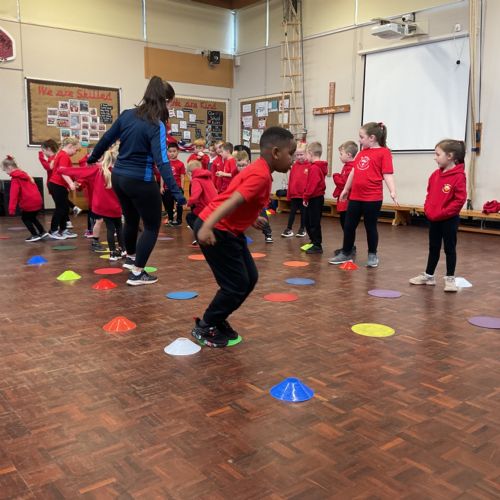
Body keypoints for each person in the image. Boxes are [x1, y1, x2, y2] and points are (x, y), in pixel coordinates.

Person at [191, 126, 296, 348]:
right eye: (291, 153)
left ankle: (217, 318)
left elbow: (236, 195)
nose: (293, 159)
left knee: (250, 278)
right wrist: (207, 227)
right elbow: (233, 200)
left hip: (228, 229)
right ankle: (206, 325)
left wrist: (251, 219)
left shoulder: (260, 170)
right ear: (276, 152)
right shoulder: (260, 174)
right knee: (235, 284)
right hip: (217, 229)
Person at [87, 76, 186, 286]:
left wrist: (93, 157)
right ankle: (138, 273)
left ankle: (131, 259)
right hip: (140, 179)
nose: (170, 107)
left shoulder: (127, 115)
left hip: (119, 177)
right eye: (171, 103)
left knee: (131, 219)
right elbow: (163, 161)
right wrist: (177, 193)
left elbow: (107, 138)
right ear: (165, 101)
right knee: (151, 226)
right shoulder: (157, 125)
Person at [329, 122, 397, 267]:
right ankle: (346, 253)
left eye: (361, 137)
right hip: (355, 197)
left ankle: (372, 254)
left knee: (370, 227)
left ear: (372, 138)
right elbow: (353, 172)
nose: (359, 140)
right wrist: (346, 189)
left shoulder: (384, 152)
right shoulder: (361, 153)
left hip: (372, 198)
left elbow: (387, 174)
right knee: (349, 226)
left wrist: (392, 190)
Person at [409, 139, 467, 292]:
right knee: (433, 247)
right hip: (434, 219)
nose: (435, 157)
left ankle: (450, 279)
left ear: (450, 156)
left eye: (437, 154)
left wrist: (443, 213)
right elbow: (429, 194)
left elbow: (459, 200)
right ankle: (429, 276)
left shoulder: (459, 176)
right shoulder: (435, 175)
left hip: (449, 219)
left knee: (449, 248)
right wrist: (428, 209)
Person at [61, 144, 125, 261]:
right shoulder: (118, 172)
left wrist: (62, 170)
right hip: (114, 206)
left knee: (110, 228)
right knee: (117, 227)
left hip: (102, 205)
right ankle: (121, 249)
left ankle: (112, 252)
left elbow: (80, 172)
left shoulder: (98, 169)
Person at [2, 155, 47, 242]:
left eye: (5, 170)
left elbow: (13, 195)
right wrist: (13, 160)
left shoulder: (15, 179)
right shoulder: (25, 174)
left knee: (25, 218)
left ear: (9, 167)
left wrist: (11, 209)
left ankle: (34, 235)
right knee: (32, 217)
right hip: (38, 200)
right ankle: (42, 232)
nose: (6, 172)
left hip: (29, 202)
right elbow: (18, 168)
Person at [235, 150, 273, 243]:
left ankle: (268, 233)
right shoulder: (236, 174)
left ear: (248, 162)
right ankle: (238, 234)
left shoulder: (253, 172)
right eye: (239, 166)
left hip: (256, 199)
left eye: (243, 165)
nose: (241, 168)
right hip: (244, 198)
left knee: (262, 214)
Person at [47, 137, 80, 240]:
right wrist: (70, 183)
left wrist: (72, 182)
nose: (76, 153)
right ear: (70, 146)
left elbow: (66, 172)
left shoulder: (62, 154)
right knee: (61, 209)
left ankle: (63, 230)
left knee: (64, 208)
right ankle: (53, 231)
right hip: (56, 185)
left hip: (58, 185)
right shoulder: (64, 155)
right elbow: (62, 171)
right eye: (76, 150)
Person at [332, 140, 358, 254]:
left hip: (347, 202)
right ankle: (349, 246)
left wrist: (335, 176)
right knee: (346, 226)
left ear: (348, 155)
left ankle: (349, 248)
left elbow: (343, 183)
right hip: (345, 201)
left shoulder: (350, 168)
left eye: (341, 154)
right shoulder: (347, 166)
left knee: (347, 226)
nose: (340, 156)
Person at [302, 142, 328, 254]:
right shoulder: (316, 167)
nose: (305, 157)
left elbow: (312, 185)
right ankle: (313, 241)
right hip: (315, 197)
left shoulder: (314, 168)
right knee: (308, 221)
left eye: (306, 154)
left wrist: (306, 197)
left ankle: (317, 245)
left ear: (310, 153)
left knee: (313, 222)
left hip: (315, 198)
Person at [281, 142, 309, 238]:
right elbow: (291, 180)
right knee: (292, 212)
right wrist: (289, 194)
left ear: (306, 154)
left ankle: (302, 229)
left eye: (301, 154)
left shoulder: (309, 166)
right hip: (294, 195)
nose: (299, 157)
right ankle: (289, 228)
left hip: (304, 195)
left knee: (303, 213)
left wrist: (307, 194)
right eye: (297, 155)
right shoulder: (294, 166)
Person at [186, 159, 218, 244]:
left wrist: (188, 203)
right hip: (214, 207)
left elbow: (195, 196)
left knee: (190, 217)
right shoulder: (207, 177)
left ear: (190, 173)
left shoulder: (196, 180)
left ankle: (200, 235)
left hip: (205, 208)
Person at [162, 142, 185, 226]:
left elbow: (182, 177)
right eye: (170, 151)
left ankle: (179, 220)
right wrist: (161, 187)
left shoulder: (181, 164)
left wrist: (181, 188)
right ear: (167, 152)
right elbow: (162, 176)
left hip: (177, 188)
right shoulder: (165, 163)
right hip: (167, 188)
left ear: (178, 152)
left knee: (179, 205)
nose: (172, 153)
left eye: (174, 151)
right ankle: (170, 219)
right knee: (169, 205)